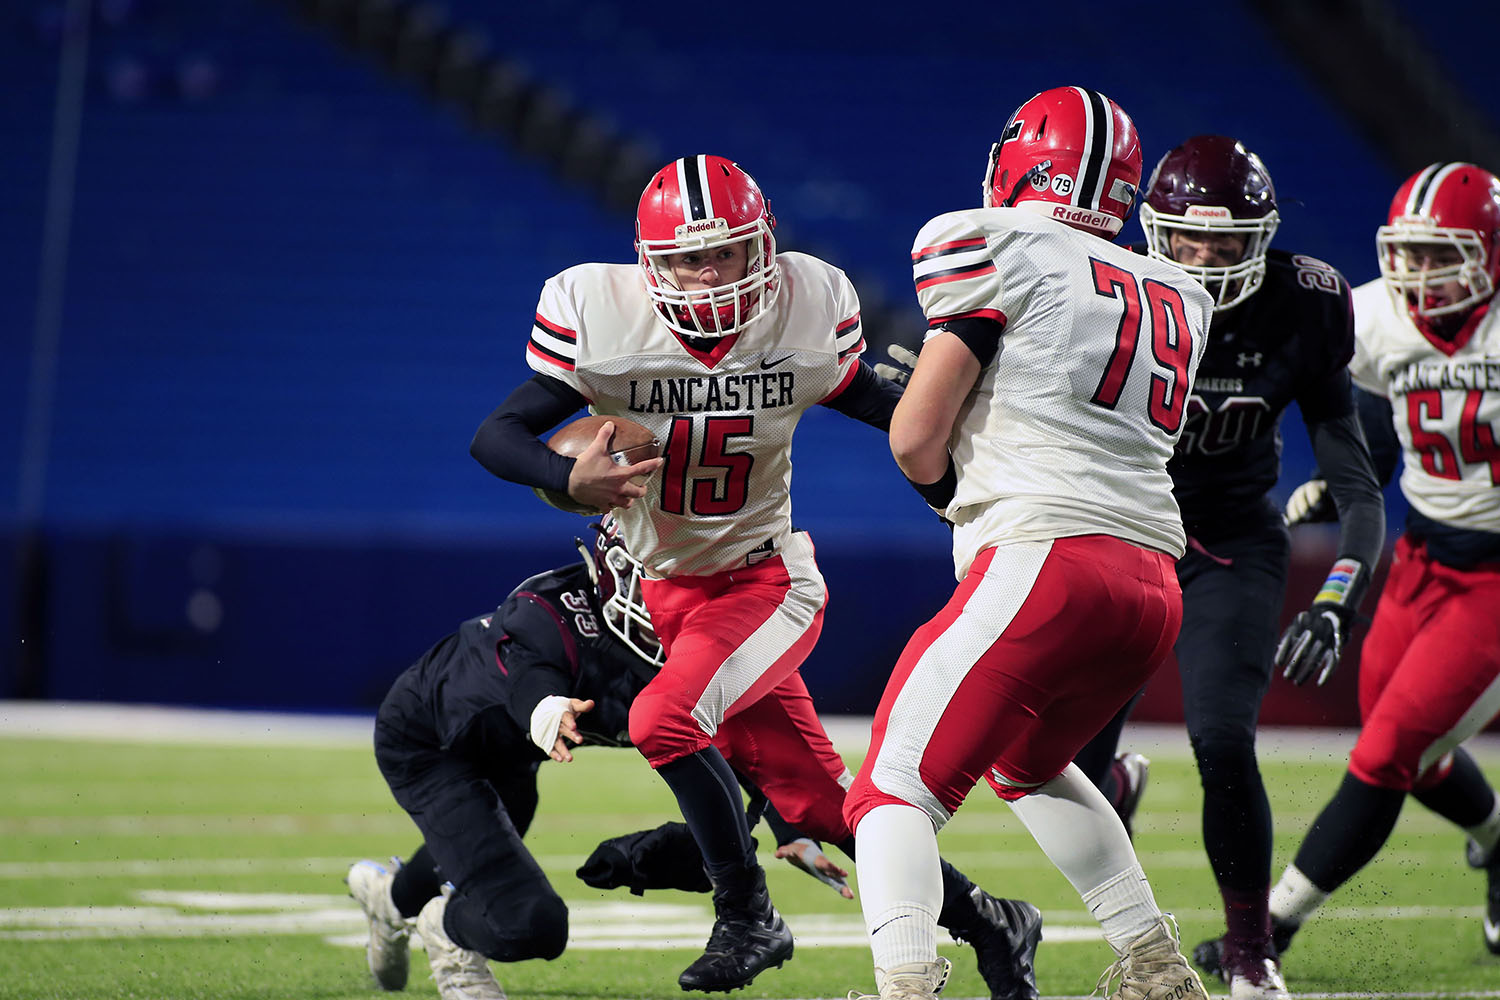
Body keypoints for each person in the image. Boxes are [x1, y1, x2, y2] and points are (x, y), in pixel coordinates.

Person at [467, 155, 1043, 997]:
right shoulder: (605, 319)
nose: (708, 274)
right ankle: (994, 921)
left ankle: (746, 915)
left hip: (765, 582)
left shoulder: (804, 313)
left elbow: (877, 403)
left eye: (726, 253)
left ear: (762, 248)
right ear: (649, 262)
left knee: (665, 719)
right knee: (815, 807)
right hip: (669, 596)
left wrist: (954, 432)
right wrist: (566, 479)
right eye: (689, 258)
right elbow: (497, 435)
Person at [840, 86, 1215, 1000]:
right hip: (1152, 586)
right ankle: (1155, 961)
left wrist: (945, 485)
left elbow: (915, 440)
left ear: (1022, 158)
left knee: (889, 792)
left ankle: (906, 984)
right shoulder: (1181, 289)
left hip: (1047, 558)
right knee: (1028, 765)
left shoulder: (998, 241)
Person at [1062, 134, 1385, 1000]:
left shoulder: (1306, 303)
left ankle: (1251, 951)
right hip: (1119, 535)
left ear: (1265, 238)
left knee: (1220, 740)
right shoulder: (1100, 291)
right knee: (1054, 768)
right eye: (1189, 242)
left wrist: (1339, 597)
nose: (1206, 263)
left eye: (1228, 244)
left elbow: (1355, 481)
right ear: (1153, 234)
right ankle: (1113, 781)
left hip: (1229, 543)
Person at [345, 521, 863, 997]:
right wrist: (545, 706)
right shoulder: (553, 613)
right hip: (432, 741)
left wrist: (788, 829)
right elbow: (533, 676)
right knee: (532, 924)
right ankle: (445, 928)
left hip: (510, 760)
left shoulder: (690, 638)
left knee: (474, 849)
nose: (674, 591)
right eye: (660, 576)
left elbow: (743, 747)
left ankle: (390, 900)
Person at [1245, 161, 1500, 967]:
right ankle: (1499, 842)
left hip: (1496, 578)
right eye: (1410, 253)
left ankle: (1267, 932)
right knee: (1410, 756)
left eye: (1442, 254)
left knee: (1386, 753)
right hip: (1421, 557)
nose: (1419, 273)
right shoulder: (1377, 315)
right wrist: (1339, 482)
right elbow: (1380, 428)